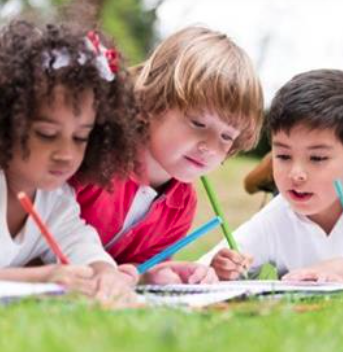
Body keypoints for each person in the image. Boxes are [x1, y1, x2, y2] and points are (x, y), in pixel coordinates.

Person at [0, 19, 140, 303]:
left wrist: (105, 274)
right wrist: (42, 278)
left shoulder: (55, 197)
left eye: (80, 138)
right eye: (47, 134)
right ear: (1, 122)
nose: (66, 153)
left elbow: (82, 246)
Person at [71, 26, 264, 285]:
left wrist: (160, 273)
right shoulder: (94, 161)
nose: (210, 146)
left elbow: (138, 269)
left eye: (227, 137)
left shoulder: (182, 204)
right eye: (198, 123)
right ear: (149, 104)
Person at [201, 69, 343, 283]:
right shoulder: (277, 214)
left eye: (318, 158)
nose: (296, 174)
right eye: (283, 155)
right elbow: (205, 269)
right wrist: (222, 269)